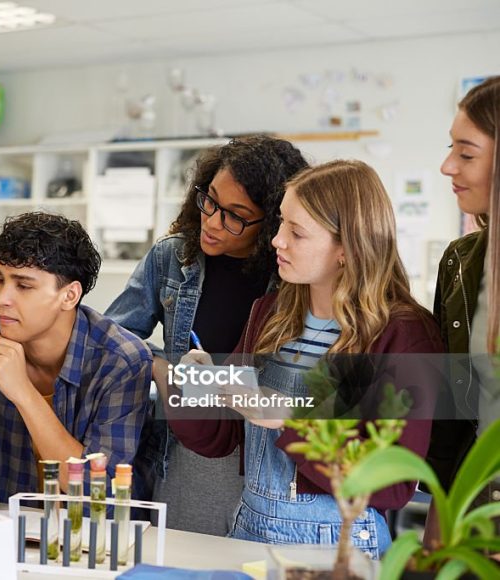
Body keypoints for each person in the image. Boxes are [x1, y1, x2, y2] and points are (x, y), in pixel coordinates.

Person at [169, 160, 443, 557]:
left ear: (347, 249)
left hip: (341, 543)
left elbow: (394, 485)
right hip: (248, 526)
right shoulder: (268, 311)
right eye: (281, 223)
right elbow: (218, 438)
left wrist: (291, 419)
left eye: (296, 232)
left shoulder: (404, 334)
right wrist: (197, 385)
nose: (277, 240)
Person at [104, 136, 308, 534]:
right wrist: (161, 367)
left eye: (235, 215)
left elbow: (292, 385)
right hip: (185, 452)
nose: (212, 222)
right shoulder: (173, 257)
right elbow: (117, 336)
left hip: (261, 460)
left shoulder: (291, 277)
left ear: (272, 224)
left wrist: (201, 379)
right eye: (209, 200)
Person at [0, 212, 152, 499]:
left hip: (100, 538)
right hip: (14, 529)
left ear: (69, 296)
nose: (2, 298)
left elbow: (98, 494)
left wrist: (23, 393)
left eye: (23, 285)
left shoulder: (122, 361)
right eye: (0, 280)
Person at [429, 75, 499, 533]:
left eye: (466, 153)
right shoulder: (460, 261)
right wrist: (439, 519)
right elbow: (451, 414)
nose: (447, 166)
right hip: (473, 510)